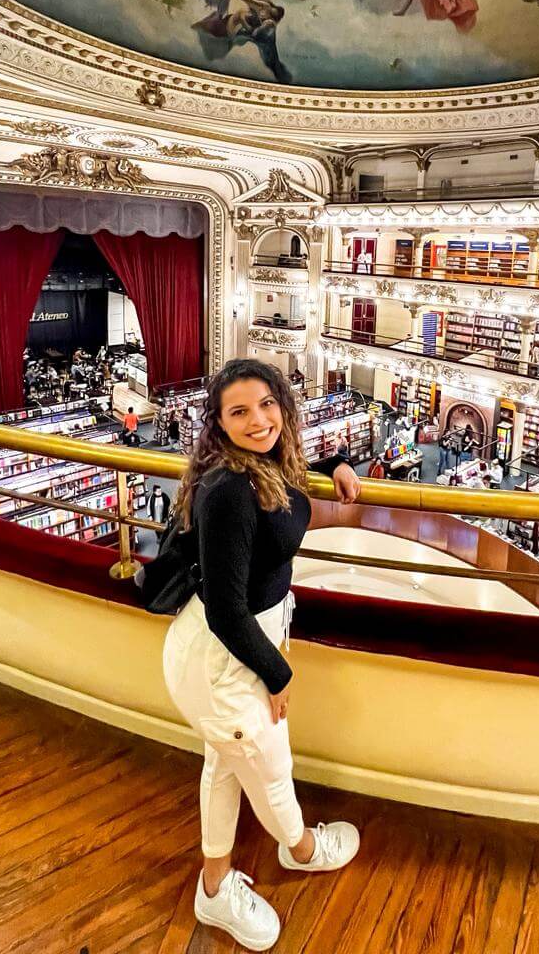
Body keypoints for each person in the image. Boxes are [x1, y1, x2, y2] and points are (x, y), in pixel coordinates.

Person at [161, 359, 363, 948]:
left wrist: (334, 465)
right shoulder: (229, 492)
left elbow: (291, 480)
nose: (259, 420)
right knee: (272, 770)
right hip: (227, 653)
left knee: (224, 763)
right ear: (219, 425)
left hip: (239, 642)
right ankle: (302, 850)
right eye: (240, 412)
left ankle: (215, 887)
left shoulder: (266, 465)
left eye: (267, 404)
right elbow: (226, 609)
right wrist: (277, 673)